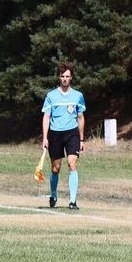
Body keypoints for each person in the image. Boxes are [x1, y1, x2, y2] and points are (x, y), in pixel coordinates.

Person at [41, 62, 85, 210]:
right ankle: (53, 195)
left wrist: (81, 139)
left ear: (71, 77)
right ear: (59, 78)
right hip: (55, 134)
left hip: (72, 133)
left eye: (67, 76)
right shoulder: (51, 96)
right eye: (62, 76)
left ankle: (72, 201)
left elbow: (80, 117)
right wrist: (45, 138)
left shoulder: (78, 95)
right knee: (56, 168)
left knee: (72, 163)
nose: (65, 79)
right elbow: (46, 117)